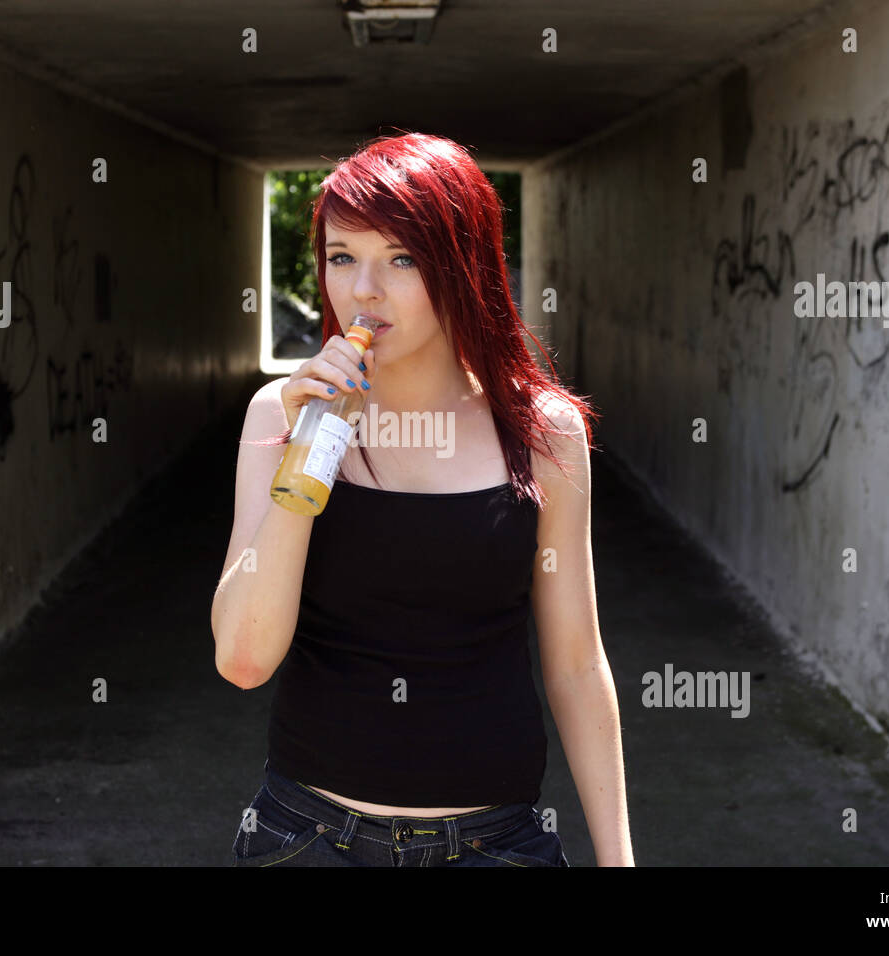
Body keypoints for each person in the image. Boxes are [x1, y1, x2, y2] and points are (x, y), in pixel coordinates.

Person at [210, 132, 633, 867]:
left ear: (463, 265)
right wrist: (307, 449)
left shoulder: (543, 434)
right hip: (307, 839)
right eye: (342, 257)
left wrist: (618, 858)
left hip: (496, 844)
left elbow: (575, 663)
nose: (363, 291)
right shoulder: (277, 415)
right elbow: (245, 659)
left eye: (401, 258)